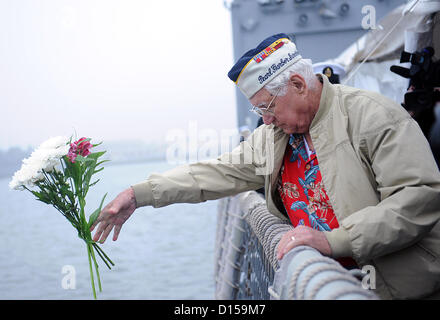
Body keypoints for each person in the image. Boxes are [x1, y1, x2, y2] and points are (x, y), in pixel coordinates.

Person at [91, 33, 440, 300]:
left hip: (400, 290)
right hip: (319, 286)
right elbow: (213, 173)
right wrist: (138, 195)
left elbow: (418, 196)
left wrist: (332, 241)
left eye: (267, 107)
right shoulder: (275, 136)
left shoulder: (373, 116)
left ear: (299, 85)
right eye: (260, 111)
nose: (266, 120)